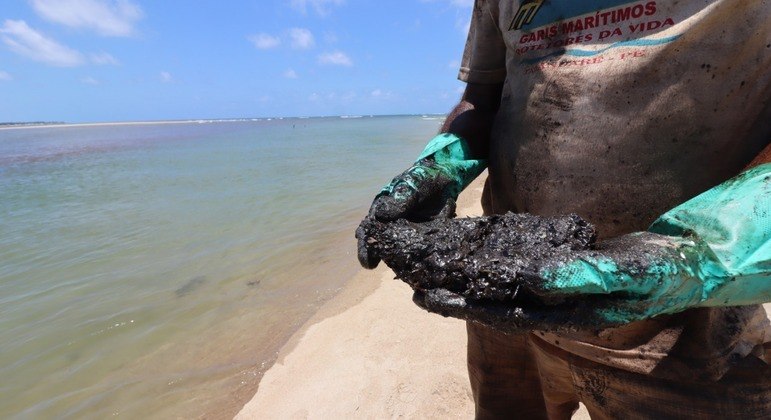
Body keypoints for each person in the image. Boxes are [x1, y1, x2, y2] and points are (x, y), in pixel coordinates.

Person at [357, 1, 771, 418]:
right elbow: (483, 97)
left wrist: (701, 255)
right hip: (502, 303)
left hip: (682, 330)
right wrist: (443, 162)